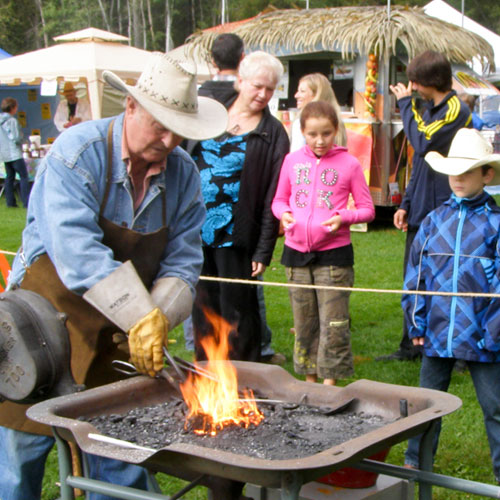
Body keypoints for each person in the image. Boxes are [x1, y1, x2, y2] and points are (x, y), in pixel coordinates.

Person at [0, 52, 228, 500]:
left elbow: (183, 262)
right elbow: (77, 254)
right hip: (38, 329)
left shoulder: (184, 176)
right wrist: (140, 316)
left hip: (116, 335)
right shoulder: (77, 154)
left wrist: (157, 319)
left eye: (176, 130)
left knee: (118, 460)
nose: (167, 140)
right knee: (18, 461)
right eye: (157, 125)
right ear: (130, 107)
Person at [402, 128, 500, 482]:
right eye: (453, 171)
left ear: (486, 175)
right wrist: (417, 322)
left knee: (496, 407)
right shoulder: (433, 221)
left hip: (484, 336)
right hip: (438, 330)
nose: (457, 178)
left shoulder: (496, 223)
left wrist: (494, 333)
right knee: (427, 403)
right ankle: (416, 462)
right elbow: (416, 277)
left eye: (468, 171)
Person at [190, 51, 290, 363]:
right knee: (202, 310)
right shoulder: (208, 113)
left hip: (237, 235)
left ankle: (246, 379)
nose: (263, 94)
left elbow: (273, 196)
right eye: (258, 86)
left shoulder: (273, 133)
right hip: (195, 232)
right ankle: (206, 378)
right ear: (240, 81)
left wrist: (263, 251)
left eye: (271, 89)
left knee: (239, 315)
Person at [272, 101, 375, 385]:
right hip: (296, 255)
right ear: (302, 131)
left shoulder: (350, 164)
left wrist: (343, 217)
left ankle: (330, 383)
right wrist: (285, 214)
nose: (320, 141)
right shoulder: (291, 162)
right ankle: (309, 380)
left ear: (336, 131)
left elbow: (367, 209)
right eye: (313, 134)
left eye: (327, 134)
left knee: (334, 323)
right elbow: (279, 200)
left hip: (334, 257)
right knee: (304, 322)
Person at [377, 50, 471, 362]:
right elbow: (420, 161)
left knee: (447, 279)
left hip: (446, 209)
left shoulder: (455, 110)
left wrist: (405, 103)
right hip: (421, 209)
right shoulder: (428, 108)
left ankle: (455, 349)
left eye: (414, 81)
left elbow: (422, 141)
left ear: (426, 81)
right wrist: (405, 203)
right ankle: (411, 346)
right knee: (414, 279)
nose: (411, 86)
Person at [290, 72, 347, 152]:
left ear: (316, 94)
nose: (296, 95)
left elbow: (296, 159)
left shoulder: (301, 122)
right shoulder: (337, 121)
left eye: (302, 91)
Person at [0, 97, 30, 207]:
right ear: (13, 108)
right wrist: (24, 139)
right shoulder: (12, 121)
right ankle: (26, 201)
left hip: (4, 153)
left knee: (9, 177)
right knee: (23, 176)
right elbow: (16, 137)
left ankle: (10, 202)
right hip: (14, 153)